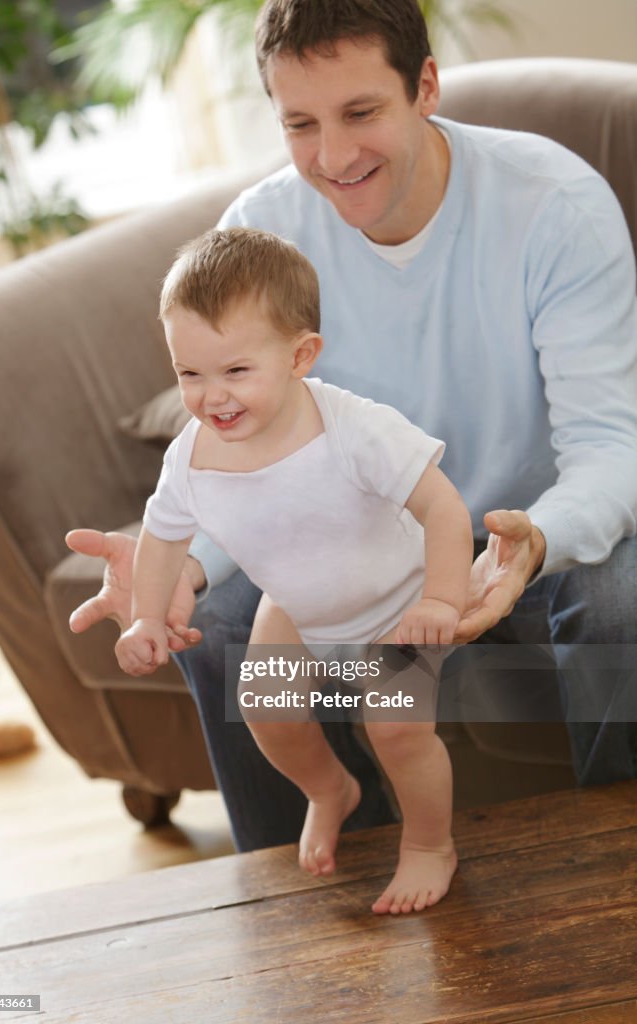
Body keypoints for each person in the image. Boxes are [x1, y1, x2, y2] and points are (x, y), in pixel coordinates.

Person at [67, 0, 637, 856]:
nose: (332, 158)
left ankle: (615, 869)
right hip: (358, 546)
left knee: (617, 594)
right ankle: (318, 898)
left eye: (361, 112)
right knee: (217, 621)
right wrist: (178, 565)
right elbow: (248, 454)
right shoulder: (262, 232)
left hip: (521, 539)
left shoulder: (553, 205)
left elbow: (611, 449)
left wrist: (536, 542)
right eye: (300, 123)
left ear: (426, 87)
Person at [114, 226, 473, 913]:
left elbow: (445, 509)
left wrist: (442, 599)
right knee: (265, 709)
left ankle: (431, 844)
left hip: (396, 604)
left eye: (236, 371)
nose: (212, 397)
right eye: (190, 374)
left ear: (300, 355)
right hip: (298, 606)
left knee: (397, 730)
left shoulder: (353, 429)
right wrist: (147, 618)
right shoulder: (192, 456)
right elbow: (161, 539)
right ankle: (329, 789)